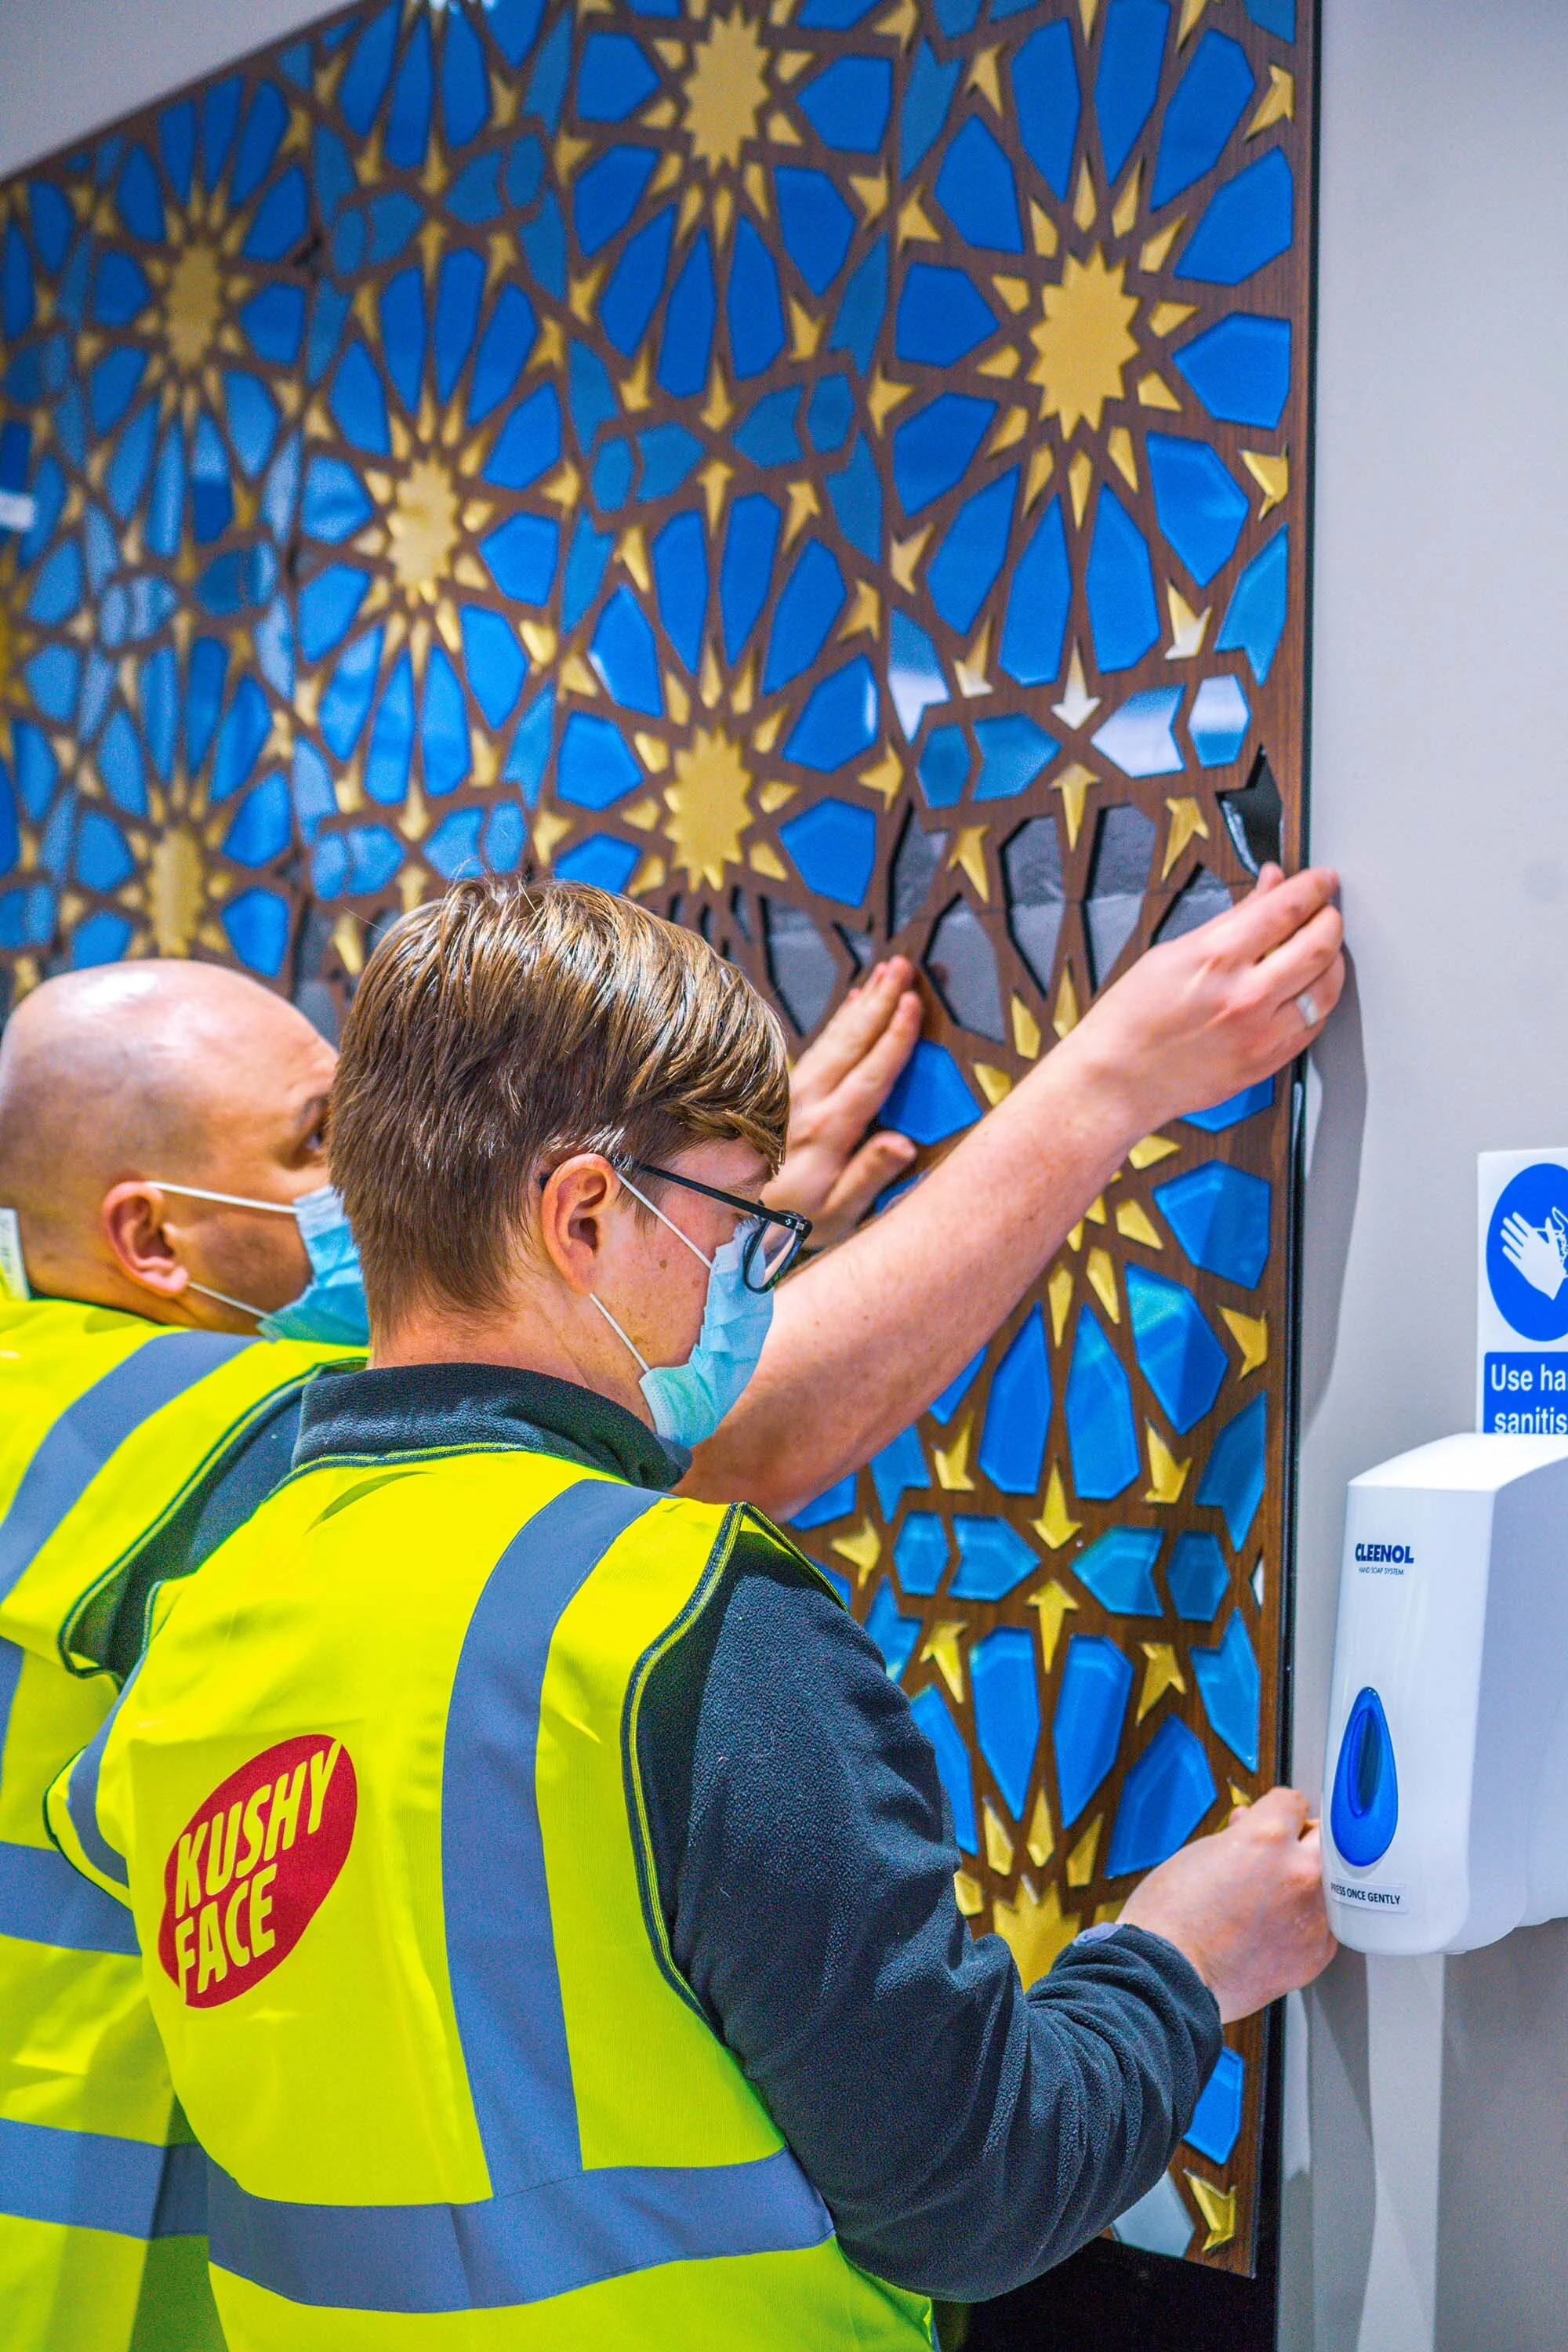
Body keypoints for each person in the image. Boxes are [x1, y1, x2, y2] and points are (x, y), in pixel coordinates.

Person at [50, 880, 1334, 2348]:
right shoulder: (687, 1621)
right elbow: (968, 2196)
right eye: (740, 1224)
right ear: (586, 1214)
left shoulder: (198, 1625)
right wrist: (1177, 1961)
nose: (753, 1275)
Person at [0, 949, 920, 2352]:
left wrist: (695, 1232)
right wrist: (1104, 1086)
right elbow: (716, 1441)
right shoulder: (192, 1431)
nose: (382, 1179)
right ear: (154, 1243)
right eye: (323, 1138)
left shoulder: (37, 1372)